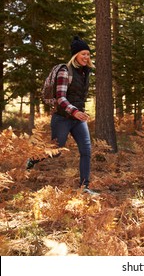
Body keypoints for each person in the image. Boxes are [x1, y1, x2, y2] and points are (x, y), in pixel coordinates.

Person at [50, 36, 96, 195]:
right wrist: (75, 111)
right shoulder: (65, 71)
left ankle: (85, 187)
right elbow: (60, 97)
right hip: (62, 118)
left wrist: (80, 112)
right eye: (83, 54)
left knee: (86, 151)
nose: (86, 57)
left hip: (77, 120)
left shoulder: (85, 73)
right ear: (75, 55)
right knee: (55, 152)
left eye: (88, 54)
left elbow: (79, 96)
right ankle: (32, 159)